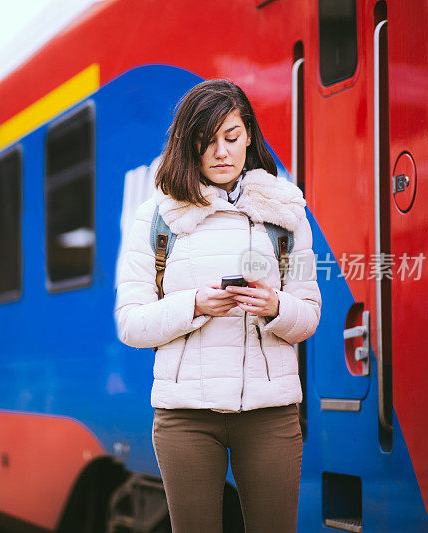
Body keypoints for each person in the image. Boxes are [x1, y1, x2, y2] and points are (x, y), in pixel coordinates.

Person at [114, 79, 321, 532]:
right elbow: (131, 323)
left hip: (270, 413)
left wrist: (273, 305)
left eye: (232, 137)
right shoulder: (156, 216)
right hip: (185, 416)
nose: (223, 153)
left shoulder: (286, 211)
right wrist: (195, 304)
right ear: (189, 145)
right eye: (208, 143)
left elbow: (308, 315)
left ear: (249, 134)